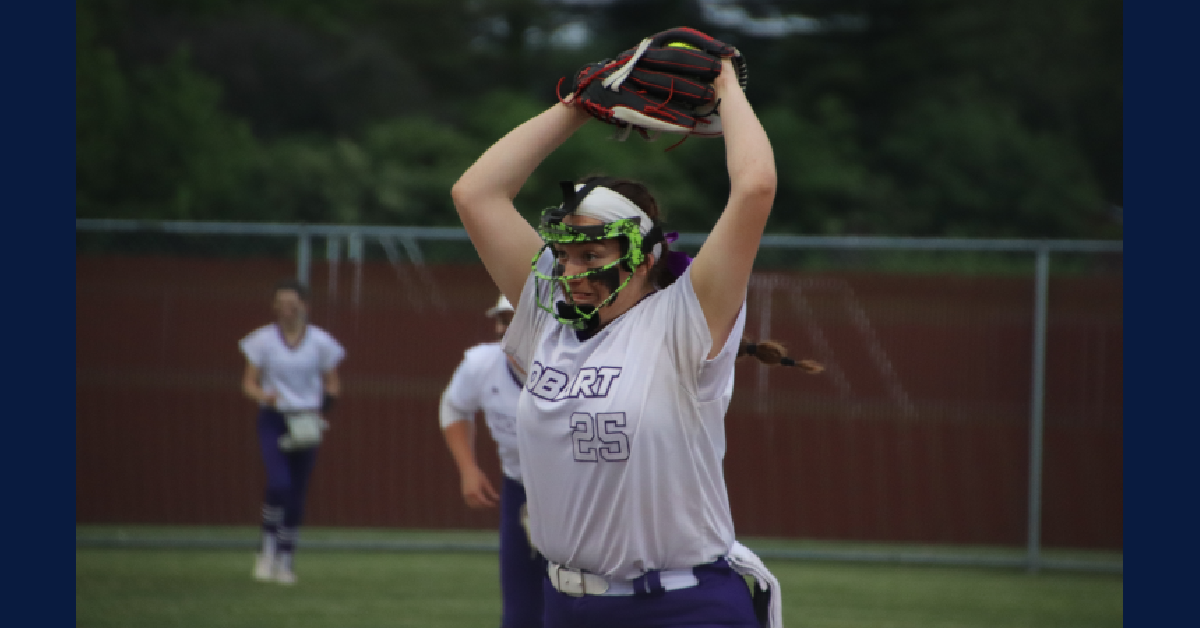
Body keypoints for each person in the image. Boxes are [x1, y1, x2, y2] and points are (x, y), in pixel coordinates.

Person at [450, 34, 785, 628]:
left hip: (685, 605)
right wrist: (582, 103)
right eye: (565, 255)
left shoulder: (680, 319)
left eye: (591, 256)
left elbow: (755, 188)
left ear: (645, 256)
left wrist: (725, 82)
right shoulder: (548, 317)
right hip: (567, 604)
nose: (570, 273)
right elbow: (474, 193)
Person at [439, 294, 545, 628]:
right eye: (502, 320)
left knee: (578, 604)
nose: (506, 330)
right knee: (519, 608)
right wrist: (468, 468)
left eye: (516, 319)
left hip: (579, 496)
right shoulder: (482, 364)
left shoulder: (580, 367)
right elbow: (454, 406)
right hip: (518, 489)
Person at [239, 278, 345, 585]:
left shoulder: (321, 342)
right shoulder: (262, 340)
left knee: (298, 491)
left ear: (305, 306)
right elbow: (249, 383)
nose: (287, 309)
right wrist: (264, 396)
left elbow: (333, 382)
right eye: (281, 303)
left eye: (293, 303)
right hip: (275, 418)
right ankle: (267, 550)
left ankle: (286, 558)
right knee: (279, 482)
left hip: (307, 420)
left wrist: (322, 412)